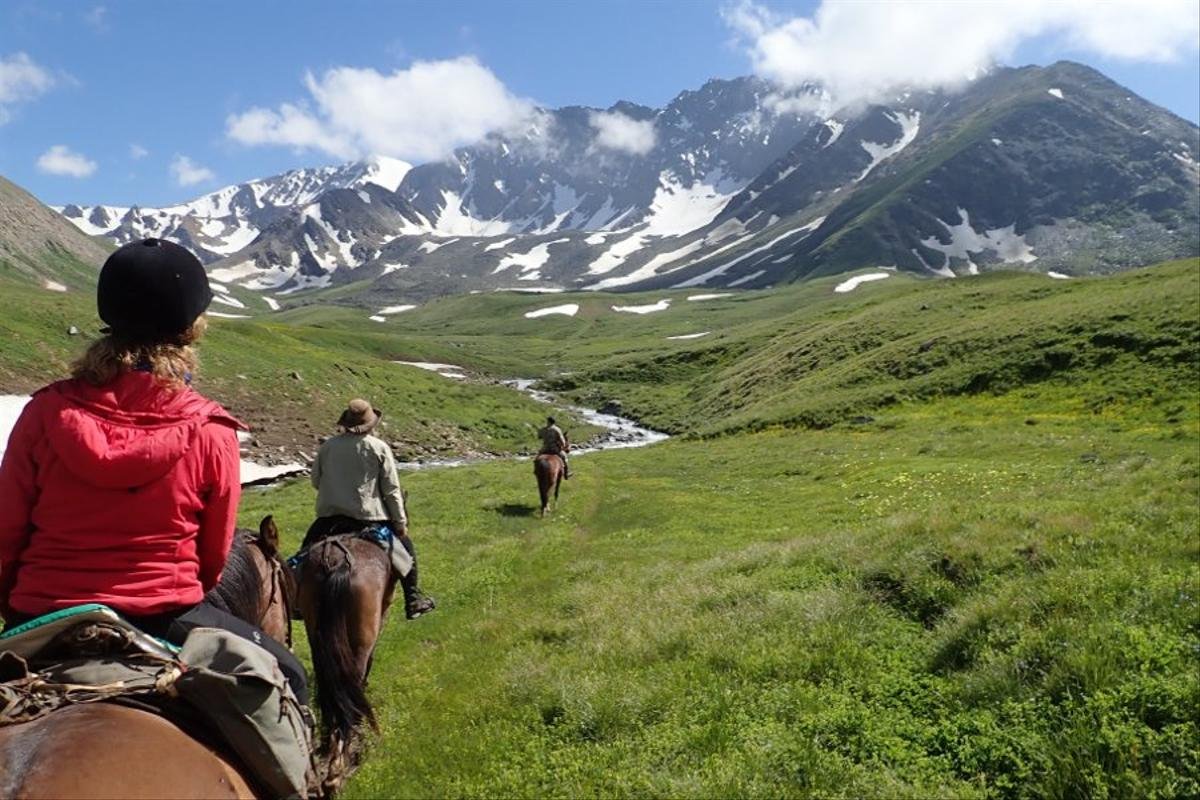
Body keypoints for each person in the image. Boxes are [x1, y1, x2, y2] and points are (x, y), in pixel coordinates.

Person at [0, 238, 308, 706]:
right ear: (191, 328)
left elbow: (7, 529)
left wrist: (16, 609)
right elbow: (212, 554)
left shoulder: (45, 412)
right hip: (164, 614)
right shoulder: (210, 427)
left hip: (41, 612)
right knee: (290, 676)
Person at [303, 399, 436, 619]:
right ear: (371, 424)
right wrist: (400, 524)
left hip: (329, 520)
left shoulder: (327, 447)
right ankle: (413, 599)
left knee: (305, 553)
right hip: (369, 520)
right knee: (407, 550)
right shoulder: (378, 447)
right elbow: (392, 490)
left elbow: (316, 481)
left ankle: (297, 599)